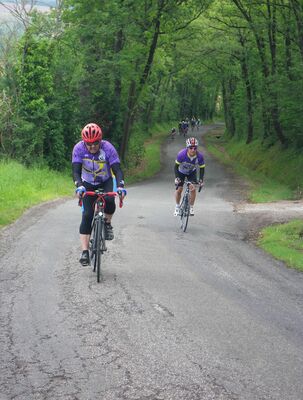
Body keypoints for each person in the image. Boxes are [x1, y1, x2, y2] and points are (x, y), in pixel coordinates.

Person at [72, 122, 126, 266]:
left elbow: (118, 170)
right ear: (84, 142)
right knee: (87, 215)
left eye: (95, 143)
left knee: (109, 200)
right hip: (87, 183)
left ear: (100, 140)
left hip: (105, 181)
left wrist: (120, 186)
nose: (92, 147)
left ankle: (107, 224)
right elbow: (75, 172)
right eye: (88, 144)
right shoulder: (78, 148)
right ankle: (85, 252)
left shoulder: (108, 148)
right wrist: (79, 186)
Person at [174, 137, 205, 216]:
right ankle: (177, 206)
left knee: (193, 189)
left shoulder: (199, 156)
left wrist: (201, 180)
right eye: (191, 148)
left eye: (195, 148)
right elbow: (175, 167)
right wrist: (177, 178)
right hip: (181, 172)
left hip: (191, 172)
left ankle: (191, 207)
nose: (193, 150)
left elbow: (202, 168)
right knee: (179, 189)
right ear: (187, 148)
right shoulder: (181, 154)